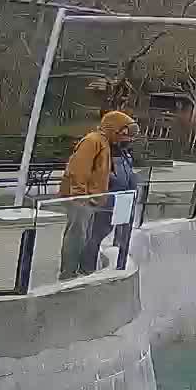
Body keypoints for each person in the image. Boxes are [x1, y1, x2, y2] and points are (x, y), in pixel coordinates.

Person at [58, 110, 134, 278]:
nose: (126, 138)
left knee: (84, 236)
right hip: (81, 199)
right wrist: (80, 197)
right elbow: (78, 169)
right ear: (113, 128)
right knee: (77, 235)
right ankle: (68, 273)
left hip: (91, 200)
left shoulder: (104, 143)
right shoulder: (93, 141)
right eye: (124, 132)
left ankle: (78, 271)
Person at [86, 124, 140, 271]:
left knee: (116, 233)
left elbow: (128, 177)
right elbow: (99, 176)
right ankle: (87, 268)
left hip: (123, 201)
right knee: (95, 235)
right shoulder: (105, 153)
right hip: (106, 202)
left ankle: (119, 264)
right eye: (126, 136)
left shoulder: (125, 155)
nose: (129, 140)